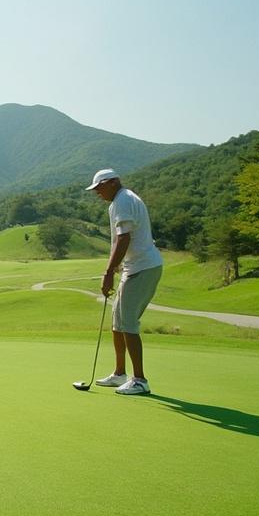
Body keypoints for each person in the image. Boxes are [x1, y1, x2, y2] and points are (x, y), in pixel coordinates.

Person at [86, 168, 162, 395]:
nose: (97, 193)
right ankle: (120, 374)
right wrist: (117, 268)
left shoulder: (123, 201)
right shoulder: (120, 200)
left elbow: (123, 238)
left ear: (111, 183)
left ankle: (139, 379)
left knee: (127, 323)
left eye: (99, 188)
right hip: (135, 267)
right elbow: (122, 239)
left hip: (143, 268)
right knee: (117, 321)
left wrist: (109, 272)